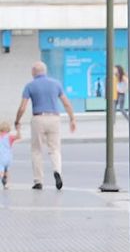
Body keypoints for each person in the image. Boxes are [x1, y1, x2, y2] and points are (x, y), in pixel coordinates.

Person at [14, 62, 76, 190]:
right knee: (55, 149)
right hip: (54, 118)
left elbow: (22, 107)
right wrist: (72, 118)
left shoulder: (30, 86)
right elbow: (66, 103)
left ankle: (38, 181)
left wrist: (17, 120)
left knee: (36, 150)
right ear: (45, 71)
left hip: (38, 118)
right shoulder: (56, 84)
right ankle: (57, 171)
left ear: (33, 72)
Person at [0, 119, 17, 188]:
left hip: (1, 157)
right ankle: (6, 183)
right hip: (8, 157)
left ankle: (2, 179)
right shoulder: (9, 137)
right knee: (6, 170)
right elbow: (19, 137)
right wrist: (18, 129)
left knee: (1, 170)